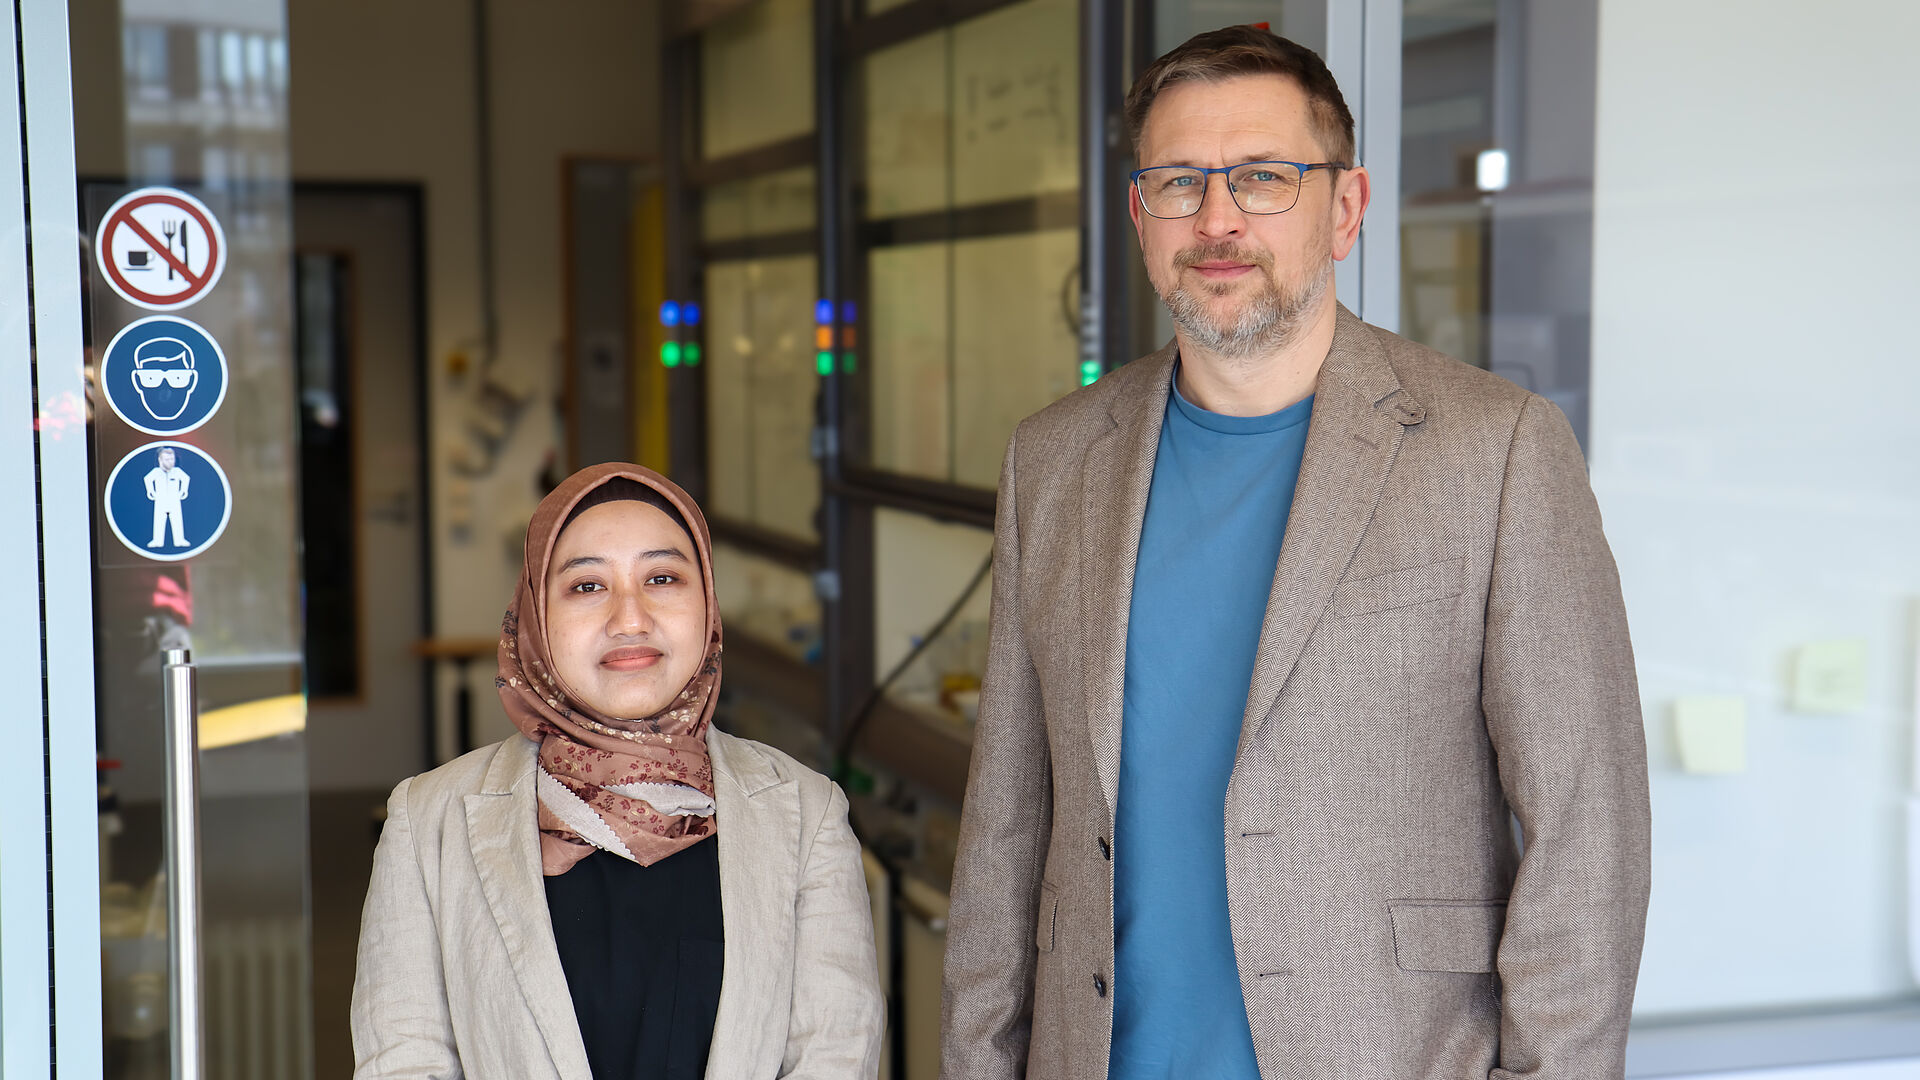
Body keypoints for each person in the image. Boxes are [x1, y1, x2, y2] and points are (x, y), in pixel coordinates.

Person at [940, 25, 1650, 1080]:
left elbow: (1588, 835)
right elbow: (1005, 821)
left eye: (1265, 177)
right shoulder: (1052, 460)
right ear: (1140, 214)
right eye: (1179, 182)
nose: (1218, 219)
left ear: (1346, 207)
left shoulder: (1495, 452)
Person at [352, 463, 884, 1080]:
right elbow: (405, 1061)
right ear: (535, 618)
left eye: (662, 578)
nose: (630, 618)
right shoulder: (428, 821)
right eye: (586, 586)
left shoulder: (806, 813)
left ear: (707, 602)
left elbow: (833, 1057)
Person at [144, 446, 189, 548]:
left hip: (174, 501)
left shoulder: (177, 471)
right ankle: (157, 541)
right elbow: (147, 479)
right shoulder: (156, 472)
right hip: (160, 501)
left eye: (172, 459)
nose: (170, 462)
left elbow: (186, 479)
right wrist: (150, 491)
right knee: (159, 521)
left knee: (177, 520)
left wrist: (183, 490)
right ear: (160, 459)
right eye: (167, 459)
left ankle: (180, 540)